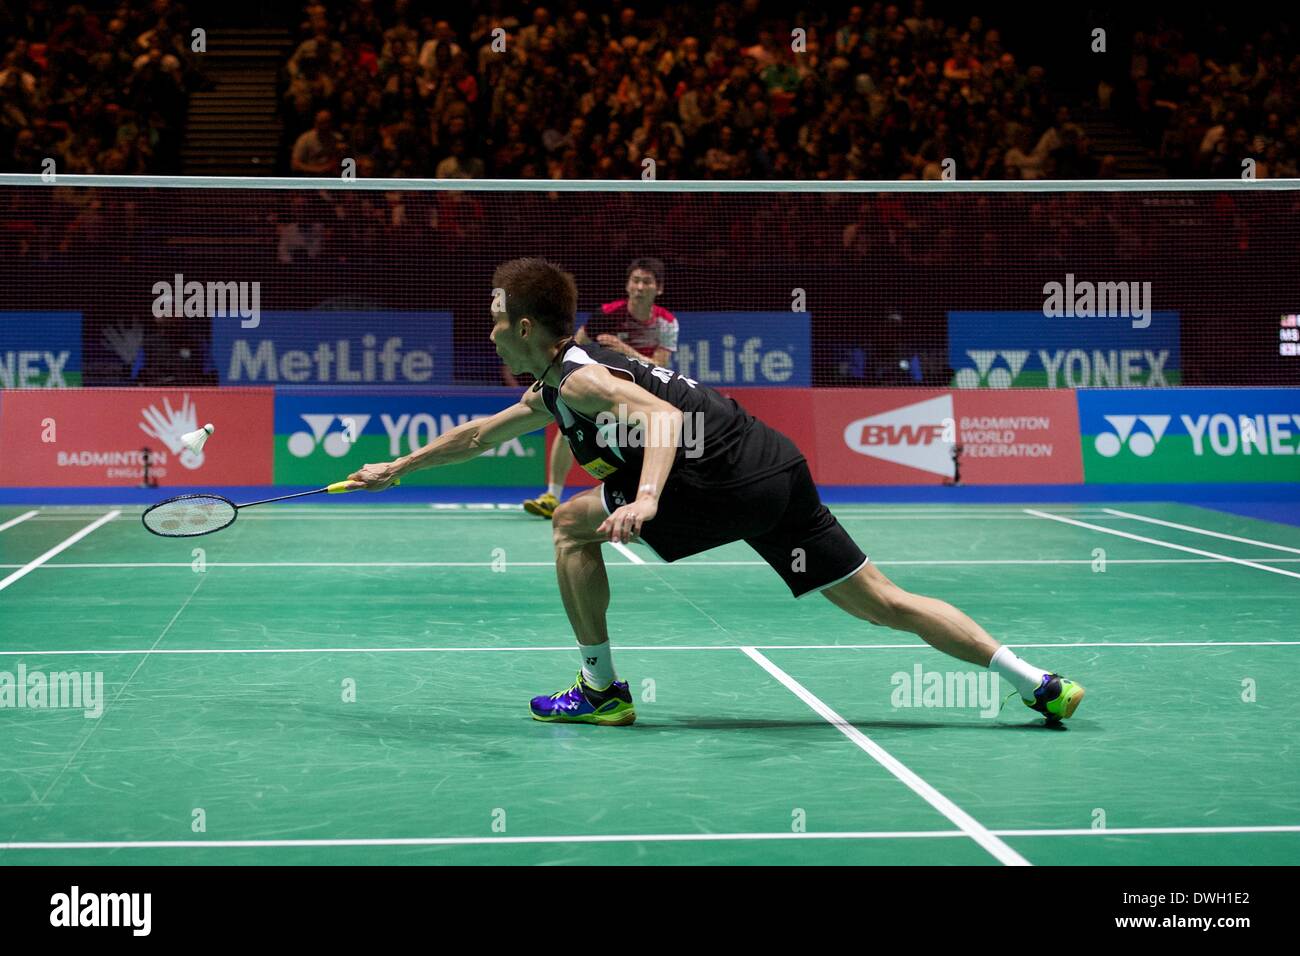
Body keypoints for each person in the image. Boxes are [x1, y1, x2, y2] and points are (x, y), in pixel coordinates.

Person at [348, 258, 1085, 727]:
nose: (490, 335)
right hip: (774, 465)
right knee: (883, 602)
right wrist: (396, 468)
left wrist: (649, 501)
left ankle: (601, 690)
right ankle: (1037, 682)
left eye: (497, 322)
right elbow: (480, 433)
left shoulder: (581, 377)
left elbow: (663, 419)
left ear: (529, 326)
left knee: (571, 526)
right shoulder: (570, 371)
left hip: (716, 479)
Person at [521, 256, 678, 519]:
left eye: (647, 282)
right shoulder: (607, 313)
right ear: (627, 285)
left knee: (649, 437)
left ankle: (650, 495)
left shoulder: (666, 322)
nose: (639, 287)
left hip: (641, 389)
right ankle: (552, 496)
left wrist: (625, 350)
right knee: (567, 426)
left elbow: (660, 366)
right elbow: (573, 344)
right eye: (635, 281)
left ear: (658, 289)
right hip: (604, 387)